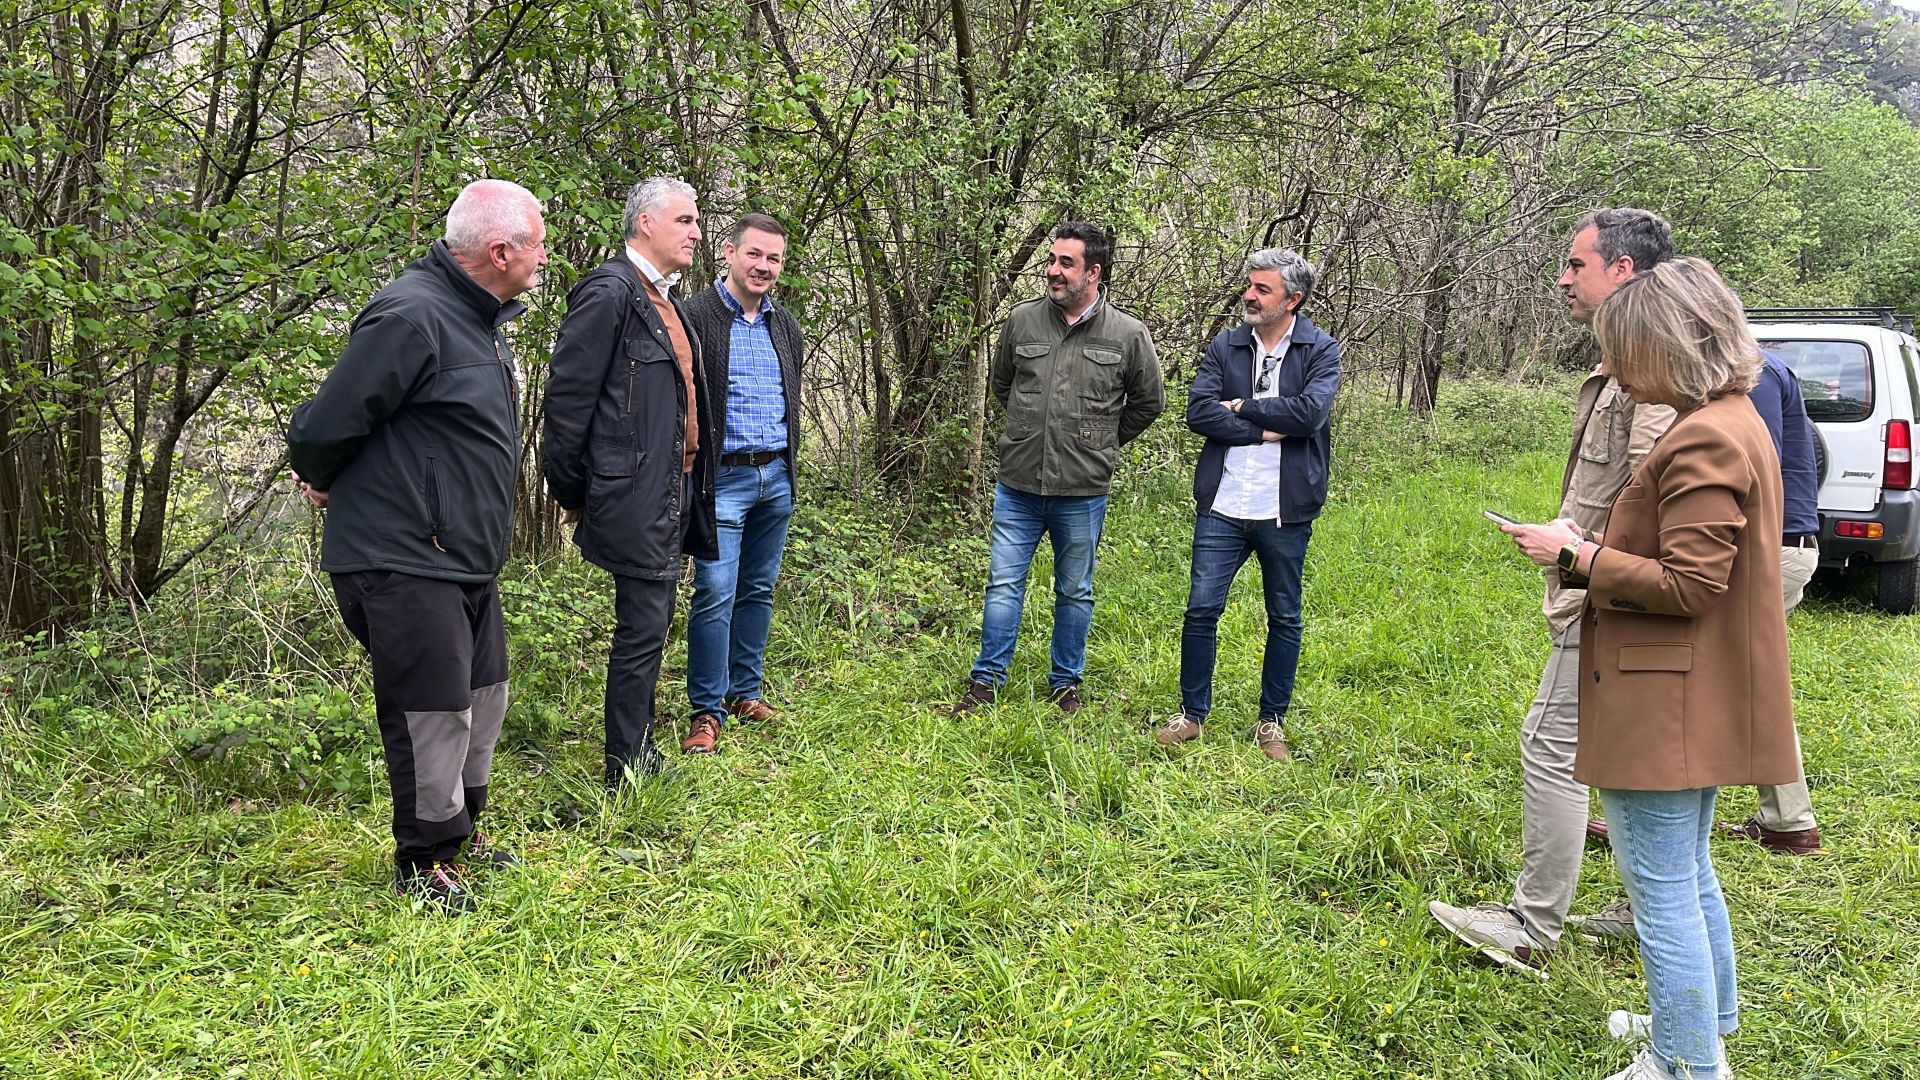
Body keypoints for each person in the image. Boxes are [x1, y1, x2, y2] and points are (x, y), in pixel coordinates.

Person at [1506, 257, 1801, 1079]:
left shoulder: (1705, 433)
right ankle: (1705, 1023)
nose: (1618, 373)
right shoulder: (1735, 416)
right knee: (1687, 869)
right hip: (1686, 685)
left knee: (1659, 885)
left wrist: (1580, 554)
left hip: (1662, 690)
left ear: (1667, 346)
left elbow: (1692, 584)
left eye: (1625, 352)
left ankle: (1682, 1063)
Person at [286, 178, 547, 911]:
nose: (545, 257)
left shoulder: (479, 323)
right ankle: (423, 862)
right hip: (402, 554)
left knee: (481, 700)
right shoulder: (411, 316)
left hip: (464, 556)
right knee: (429, 713)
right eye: (538, 244)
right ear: (500, 251)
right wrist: (322, 475)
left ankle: (460, 838)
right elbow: (324, 426)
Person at [1427, 208, 1676, 969]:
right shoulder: (1619, 361)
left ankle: (1531, 929)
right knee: (1636, 762)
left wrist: (1582, 554)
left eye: (1577, 265)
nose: (1564, 279)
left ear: (1622, 271)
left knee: (1551, 746)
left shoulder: (1653, 371)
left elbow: (1656, 497)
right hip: (1600, 587)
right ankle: (1646, 909)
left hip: (1613, 599)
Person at [542, 176, 718, 789]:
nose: (697, 232)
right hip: (634, 493)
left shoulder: (663, 298)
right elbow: (566, 405)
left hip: (673, 489)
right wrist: (577, 495)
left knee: (651, 619)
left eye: (696, 222)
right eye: (686, 221)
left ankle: (635, 749)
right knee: (643, 625)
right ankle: (628, 766)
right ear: (646, 224)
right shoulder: (610, 292)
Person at [948, 222, 1165, 715]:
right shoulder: (1023, 322)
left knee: (1074, 590)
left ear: (1094, 272)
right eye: (1052, 260)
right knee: (1003, 584)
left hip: (1082, 489)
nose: (1053, 271)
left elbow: (1148, 402)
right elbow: (1002, 385)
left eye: (1066, 263)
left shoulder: (1127, 334)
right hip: (1018, 484)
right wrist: (1031, 430)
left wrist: (1101, 443)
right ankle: (986, 680)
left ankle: (1066, 683)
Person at [1153, 248, 1342, 761]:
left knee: (1284, 615)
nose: (1250, 295)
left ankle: (1270, 722)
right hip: (1223, 502)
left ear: (1293, 299)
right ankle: (1192, 716)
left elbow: (1309, 414)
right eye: (1250, 285)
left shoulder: (1320, 349)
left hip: (1285, 507)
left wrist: (1243, 410)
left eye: (1263, 289)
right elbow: (1198, 412)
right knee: (1201, 608)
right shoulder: (1227, 344)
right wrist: (1267, 427)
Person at [677, 213, 806, 754]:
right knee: (714, 592)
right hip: (721, 479)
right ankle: (706, 710)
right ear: (728, 253)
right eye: (754, 254)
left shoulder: (786, 326)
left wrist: (786, 470)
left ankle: (743, 692)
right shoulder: (693, 318)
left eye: (773, 258)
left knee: (757, 589)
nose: (764, 267)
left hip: (775, 475)